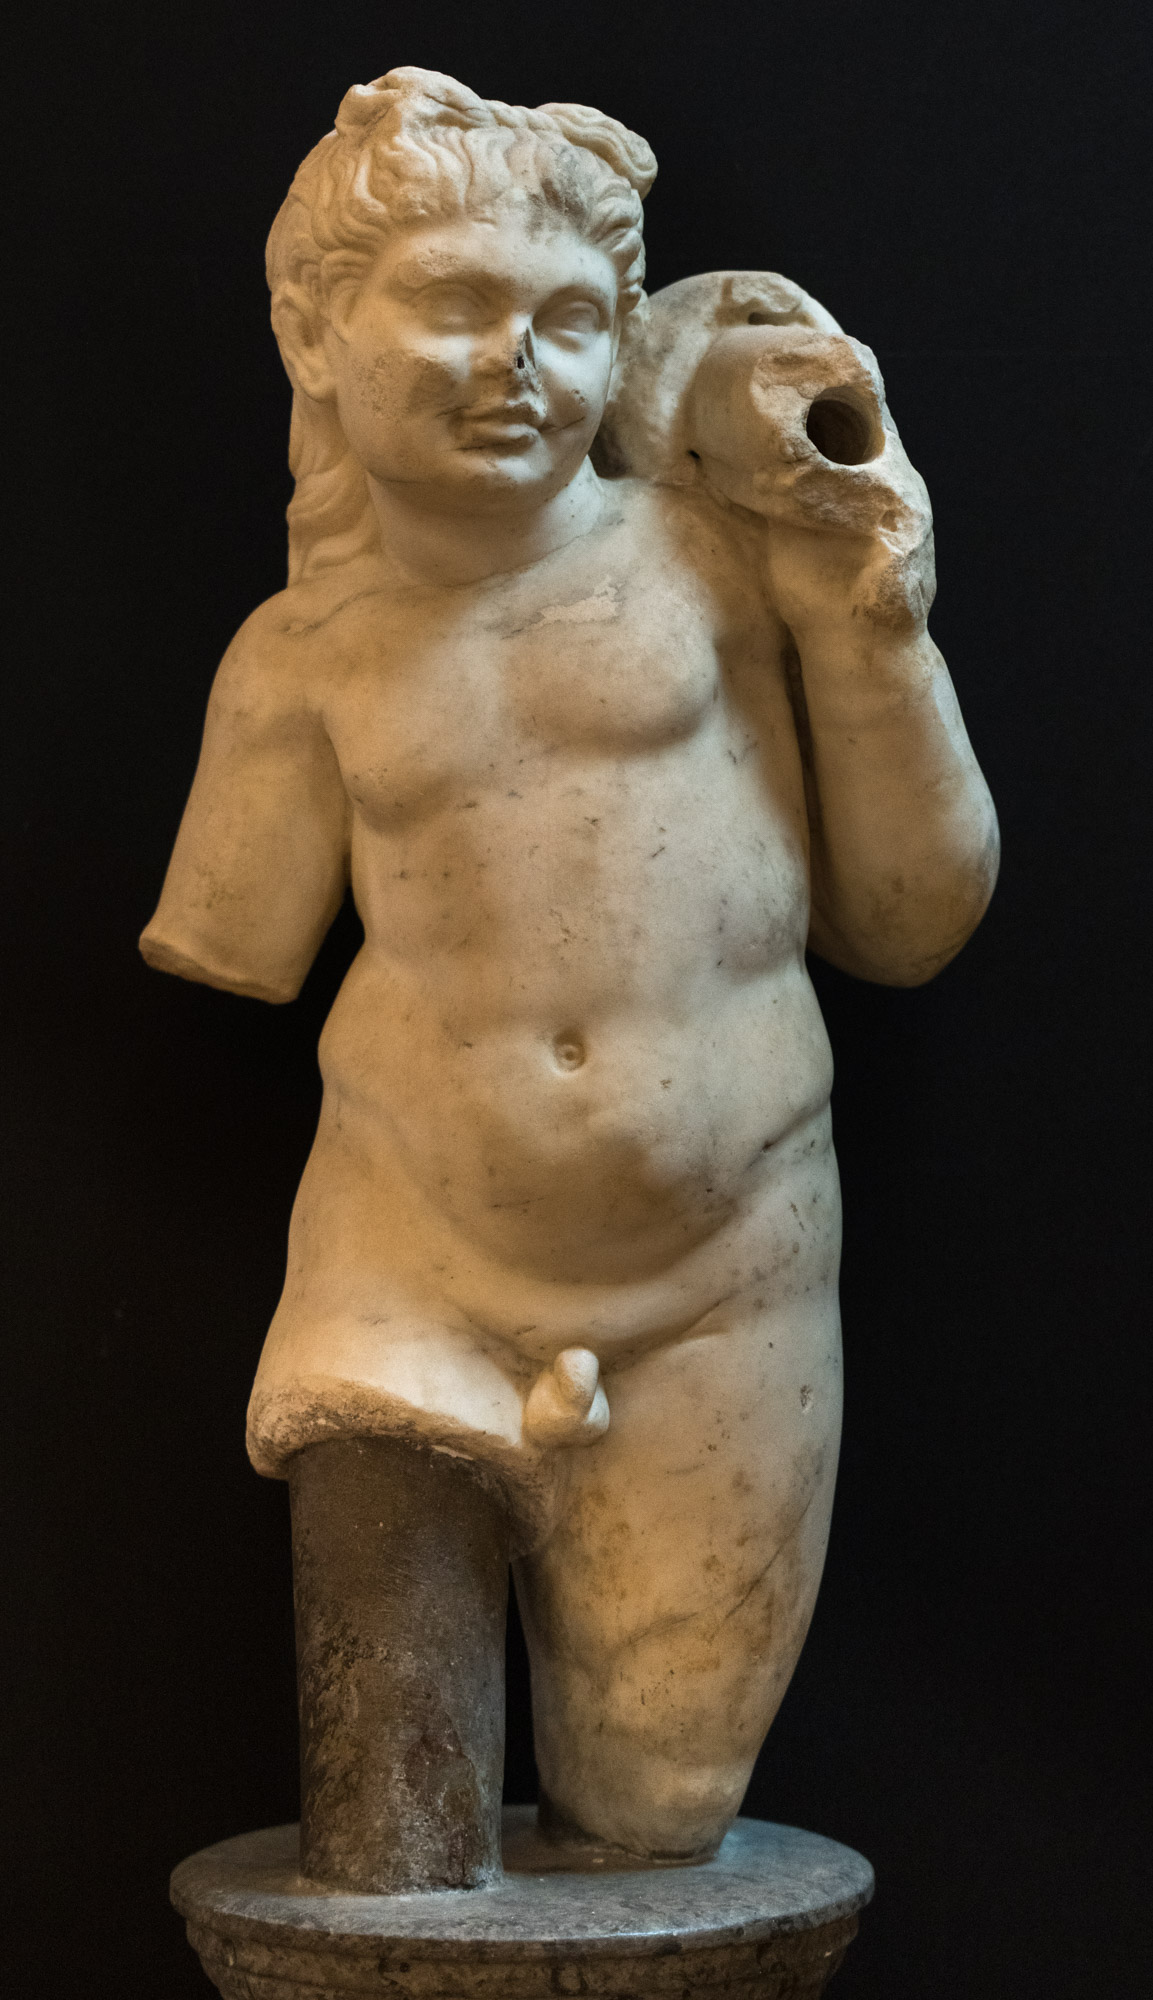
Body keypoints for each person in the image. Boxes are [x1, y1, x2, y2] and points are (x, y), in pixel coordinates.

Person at [141, 66, 998, 1865]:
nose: (513, 363)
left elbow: (910, 921)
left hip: (723, 1283)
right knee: (389, 1846)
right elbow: (233, 940)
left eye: (566, 319)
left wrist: (870, 618)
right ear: (312, 336)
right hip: (408, 1272)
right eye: (453, 306)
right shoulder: (300, 659)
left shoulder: (727, 572)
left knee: (659, 1823)